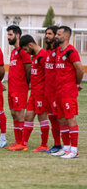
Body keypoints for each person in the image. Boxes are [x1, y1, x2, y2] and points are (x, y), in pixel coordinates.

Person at [9, 35, 49, 152]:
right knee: (28, 116)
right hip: (34, 92)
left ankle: (44, 145)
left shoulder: (43, 56)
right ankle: (23, 144)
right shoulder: (35, 56)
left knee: (42, 118)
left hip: (41, 93)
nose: (26, 52)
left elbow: (49, 75)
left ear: (30, 45)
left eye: (26, 49)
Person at [52, 26, 84, 158]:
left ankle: (74, 150)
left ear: (66, 36)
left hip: (68, 91)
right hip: (58, 91)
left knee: (70, 119)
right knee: (61, 120)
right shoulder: (59, 51)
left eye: (58, 34)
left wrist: (76, 83)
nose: (56, 36)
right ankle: (66, 148)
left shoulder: (71, 51)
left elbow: (80, 69)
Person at [5, 25, 31, 149]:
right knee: (14, 114)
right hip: (12, 88)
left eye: (10, 35)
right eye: (8, 35)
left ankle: (23, 144)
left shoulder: (23, 51)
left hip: (20, 88)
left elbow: (28, 68)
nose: (8, 37)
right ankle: (17, 141)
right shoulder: (14, 51)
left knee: (20, 114)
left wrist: (28, 82)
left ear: (17, 35)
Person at [43, 26, 62, 153]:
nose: (47, 36)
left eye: (49, 33)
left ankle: (66, 146)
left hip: (57, 92)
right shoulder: (48, 52)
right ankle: (56, 145)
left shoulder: (60, 51)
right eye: (46, 33)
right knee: (52, 119)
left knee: (61, 119)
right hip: (47, 92)